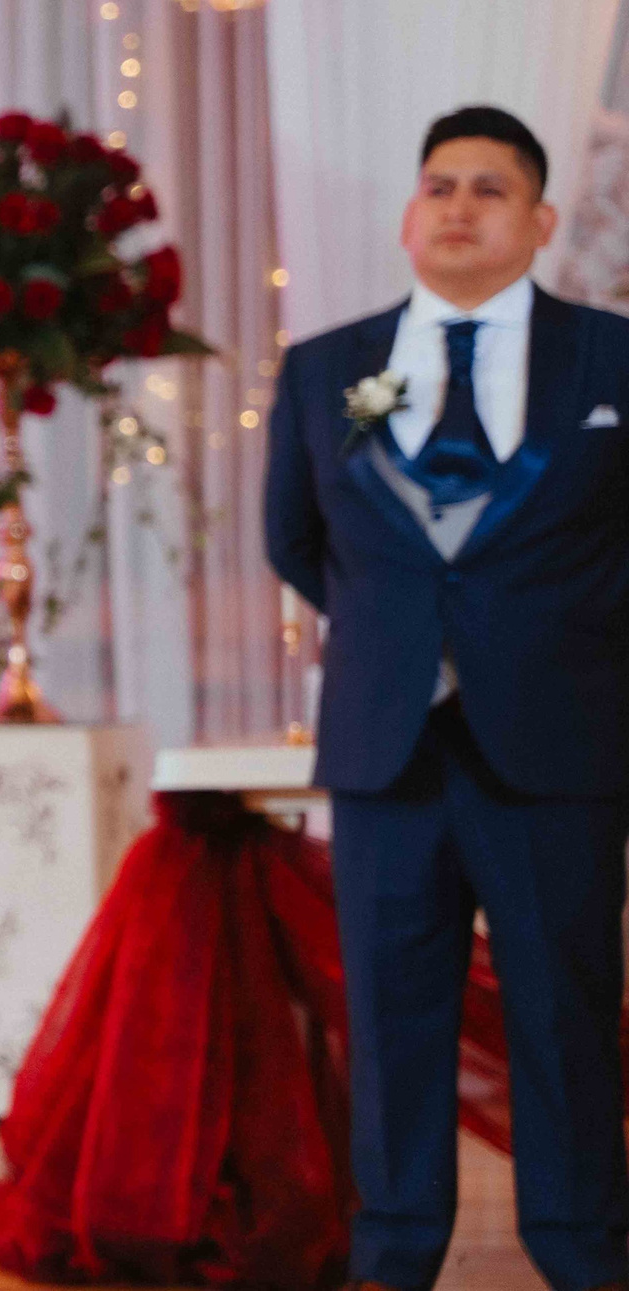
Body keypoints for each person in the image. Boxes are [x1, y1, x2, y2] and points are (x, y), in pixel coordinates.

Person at [264, 105, 629, 1291]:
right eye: (438, 186)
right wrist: (406, 637)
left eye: (488, 187)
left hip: (559, 747)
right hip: (388, 748)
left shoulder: (610, 358)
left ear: (542, 221)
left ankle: (581, 1251)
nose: (458, 206)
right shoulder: (327, 368)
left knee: (566, 1015)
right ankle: (392, 1253)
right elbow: (295, 540)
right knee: (388, 1021)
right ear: (407, 218)